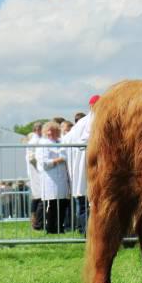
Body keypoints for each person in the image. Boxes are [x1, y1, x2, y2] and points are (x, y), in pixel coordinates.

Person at [61, 95, 98, 235]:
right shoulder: (94, 120)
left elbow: (64, 142)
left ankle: (85, 231)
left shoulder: (81, 122)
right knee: (90, 201)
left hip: (79, 166)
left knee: (82, 200)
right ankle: (89, 232)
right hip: (90, 165)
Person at [37, 121, 71, 234]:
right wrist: (60, 160)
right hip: (50, 180)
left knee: (62, 205)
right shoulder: (43, 143)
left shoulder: (59, 142)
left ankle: (59, 227)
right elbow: (44, 163)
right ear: (46, 131)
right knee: (51, 206)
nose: (53, 132)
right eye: (50, 130)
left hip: (61, 179)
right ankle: (50, 229)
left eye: (55, 130)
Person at [26, 123, 44, 229]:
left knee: (37, 197)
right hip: (36, 171)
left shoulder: (36, 140)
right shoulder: (35, 141)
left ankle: (35, 220)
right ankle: (36, 221)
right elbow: (31, 157)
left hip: (36, 171)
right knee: (38, 197)